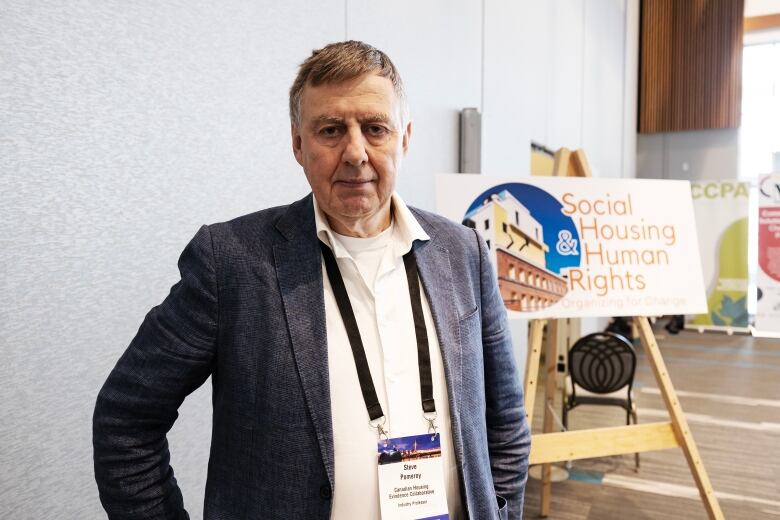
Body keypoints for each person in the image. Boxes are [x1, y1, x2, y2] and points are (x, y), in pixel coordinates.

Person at [93, 40, 530, 520]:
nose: (355, 153)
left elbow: (505, 423)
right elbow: (126, 419)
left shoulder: (461, 253)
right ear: (298, 144)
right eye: (330, 130)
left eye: (375, 128)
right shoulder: (232, 262)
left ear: (404, 138)